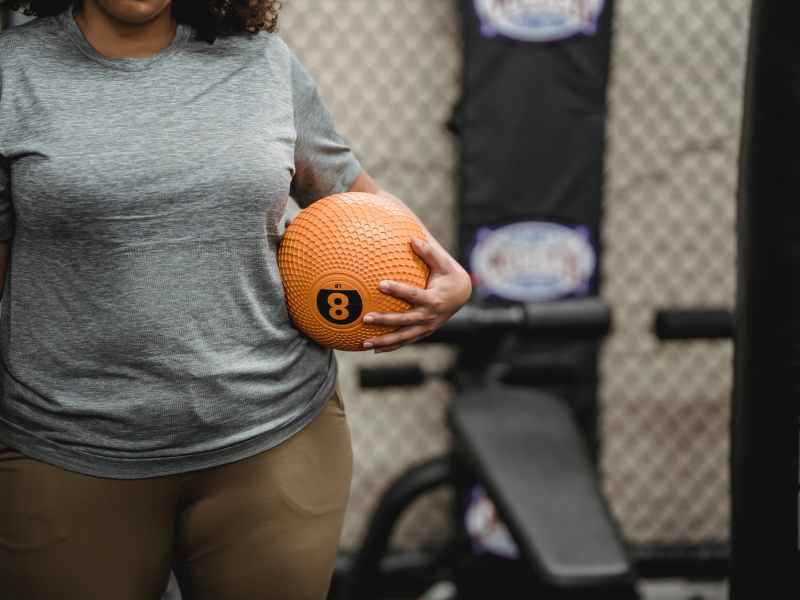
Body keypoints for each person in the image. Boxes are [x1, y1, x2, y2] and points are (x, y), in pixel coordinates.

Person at [0, 1, 472, 599]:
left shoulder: (264, 63)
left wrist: (447, 274)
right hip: (71, 451)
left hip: (274, 437)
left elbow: (357, 201)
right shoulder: (13, 74)